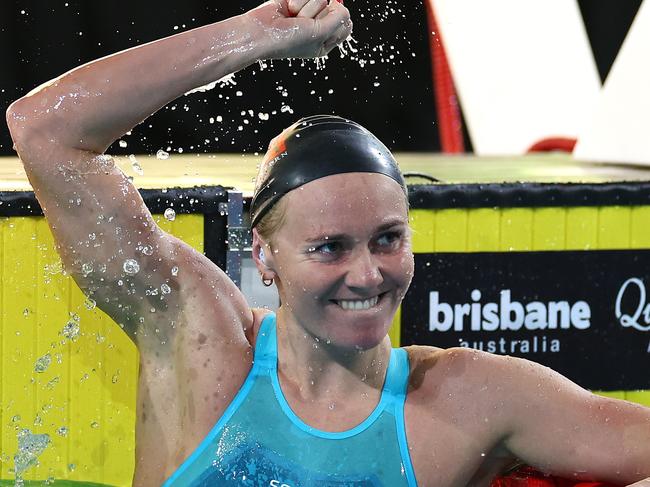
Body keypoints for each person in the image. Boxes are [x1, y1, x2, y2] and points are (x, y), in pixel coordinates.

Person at [5, 1, 650, 486]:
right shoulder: (198, 343)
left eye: (387, 239)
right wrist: (257, 36)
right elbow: (44, 129)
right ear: (264, 256)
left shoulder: (468, 397)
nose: (367, 274)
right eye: (329, 248)